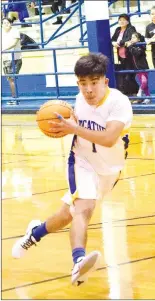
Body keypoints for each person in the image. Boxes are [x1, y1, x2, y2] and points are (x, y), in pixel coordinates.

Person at [11, 53, 133, 286]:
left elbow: (108, 139)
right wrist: (65, 128)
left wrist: (73, 128)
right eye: (83, 83)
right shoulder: (78, 101)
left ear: (105, 81)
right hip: (82, 161)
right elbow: (74, 129)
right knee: (83, 209)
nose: (88, 90)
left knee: (67, 214)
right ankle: (78, 262)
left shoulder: (118, 102)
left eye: (94, 82)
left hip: (110, 170)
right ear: (78, 83)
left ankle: (33, 234)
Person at [111, 13, 139, 97]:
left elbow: (129, 38)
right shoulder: (117, 29)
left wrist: (119, 42)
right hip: (121, 57)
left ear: (128, 21)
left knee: (129, 76)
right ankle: (129, 94)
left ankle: (136, 93)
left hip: (129, 56)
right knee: (124, 76)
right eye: (120, 20)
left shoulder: (131, 28)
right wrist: (113, 42)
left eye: (124, 20)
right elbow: (112, 39)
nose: (122, 22)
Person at [2, 17, 22, 105]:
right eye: (4, 23)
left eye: (8, 23)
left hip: (14, 58)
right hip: (6, 58)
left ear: (11, 23)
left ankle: (15, 99)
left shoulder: (15, 31)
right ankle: (14, 97)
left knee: (12, 79)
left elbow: (13, 44)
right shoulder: (2, 32)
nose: (6, 24)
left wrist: (2, 50)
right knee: (10, 79)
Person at [127, 32, 150, 104]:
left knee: (144, 82)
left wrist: (130, 46)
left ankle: (140, 91)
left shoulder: (141, 46)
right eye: (131, 37)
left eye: (134, 37)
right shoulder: (133, 46)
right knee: (144, 84)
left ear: (138, 39)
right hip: (137, 69)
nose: (132, 39)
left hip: (143, 68)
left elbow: (137, 53)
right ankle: (148, 97)